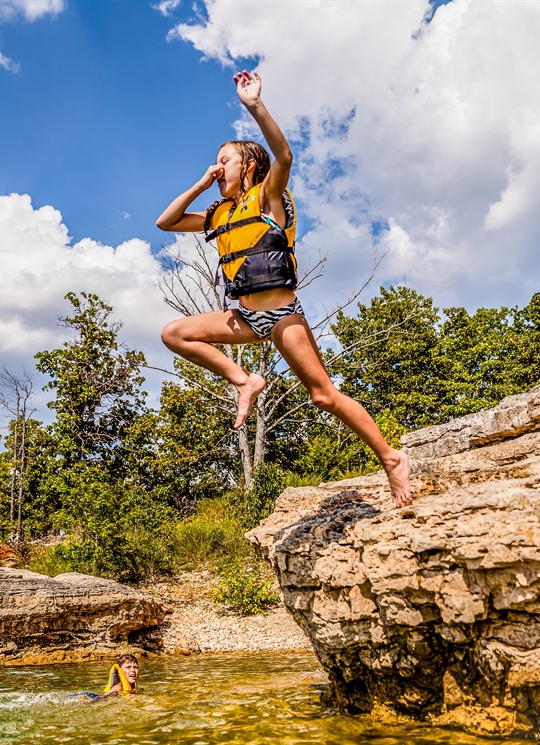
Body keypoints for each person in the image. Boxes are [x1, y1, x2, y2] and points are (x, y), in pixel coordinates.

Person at [155, 70, 412, 508]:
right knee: (174, 333)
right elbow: (167, 221)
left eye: (225, 162)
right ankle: (246, 381)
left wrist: (254, 105)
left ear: (249, 166)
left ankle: (391, 459)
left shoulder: (269, 197)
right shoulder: (218, 214)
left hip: (281, 317)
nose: (218, 169)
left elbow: (285, 155)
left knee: (323, 395)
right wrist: (201, 184)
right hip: (245, 318)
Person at [71, 654, 140, 701]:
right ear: (120, 671)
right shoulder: (118, 687)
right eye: (128, 667)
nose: (133, 670)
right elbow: (102, 699)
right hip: (91, 697)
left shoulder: (133, 686)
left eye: (135, 667)